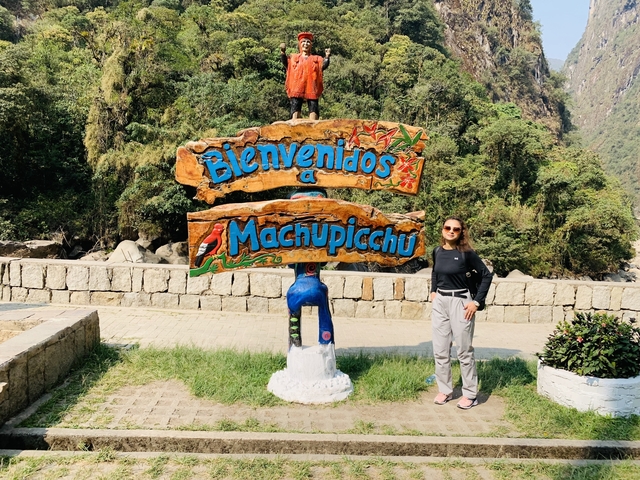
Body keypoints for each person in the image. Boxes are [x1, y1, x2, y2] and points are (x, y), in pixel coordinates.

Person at [430, 216, 493, 409]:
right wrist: (433, 291)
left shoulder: (467, 254)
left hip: (461, 303)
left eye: (455, 229)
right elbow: (435, 271)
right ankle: (445, 390)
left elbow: (486, 275)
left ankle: (470, 394)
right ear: (442, 230)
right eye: (447, 227)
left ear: (461, 232)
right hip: (440, 302)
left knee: (464, 351)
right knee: (440, 350)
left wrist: (476, 302)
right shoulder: (437, 251)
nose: (451, 231)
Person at [280, 32, 330, 120]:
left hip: (311, 86)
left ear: (311, 45)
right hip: (297, 85)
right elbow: (286, 63)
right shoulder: (293, 57)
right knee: (295, 104)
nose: (305, 44)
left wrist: (327, 56)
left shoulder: (316, 58)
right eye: (303, 42)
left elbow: (323, 66)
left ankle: (313, 122)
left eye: (308, 42)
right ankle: (294, 120)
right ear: (300, 44)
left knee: (313, 104)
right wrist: (283, 53)